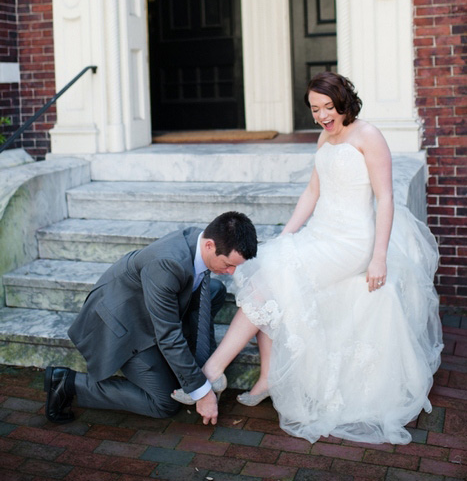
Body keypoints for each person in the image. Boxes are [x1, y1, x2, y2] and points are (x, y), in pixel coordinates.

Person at [173, 72, 443, 444]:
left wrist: (378, 256)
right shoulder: (322, 138)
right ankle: (263, 376)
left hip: (352, 243)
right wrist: (285, 237)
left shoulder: (369, 137)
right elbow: (311, 194)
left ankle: (212, 371)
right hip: (320, 233)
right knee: (269, 268)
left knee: (273, 276)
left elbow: (386, 199)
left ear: (344, 102)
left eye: (328, 108)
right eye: (315, 110)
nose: (322, 116)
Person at [44, 211, 257, 426]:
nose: (231, 272)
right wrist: (202, 393)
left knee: (215, 291)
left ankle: (187, 360)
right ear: (210, 245)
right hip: (125, 326)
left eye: (236, 266)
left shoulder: (198, 242)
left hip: (150, 309)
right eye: (228, 264)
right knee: (164, 403)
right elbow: (168, 335)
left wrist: (200, 366)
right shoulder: (167, 264)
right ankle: (67, 383)